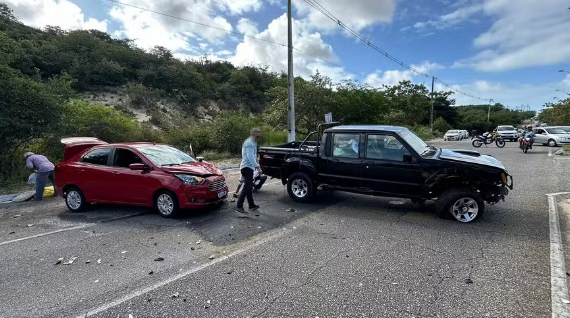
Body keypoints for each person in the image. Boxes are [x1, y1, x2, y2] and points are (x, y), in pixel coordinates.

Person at [235, 128, 262, 215]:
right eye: (258, 136)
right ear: (254, 135)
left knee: (249, 187)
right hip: (246, 168)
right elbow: (250, 157)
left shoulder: (253, 143)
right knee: (247, 188)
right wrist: (257, 167)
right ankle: (239, 206)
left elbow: (254, 157)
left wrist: (258, 165)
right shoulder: (249, 143)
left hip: (249, 168)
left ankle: (251, 205)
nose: (259, 138)